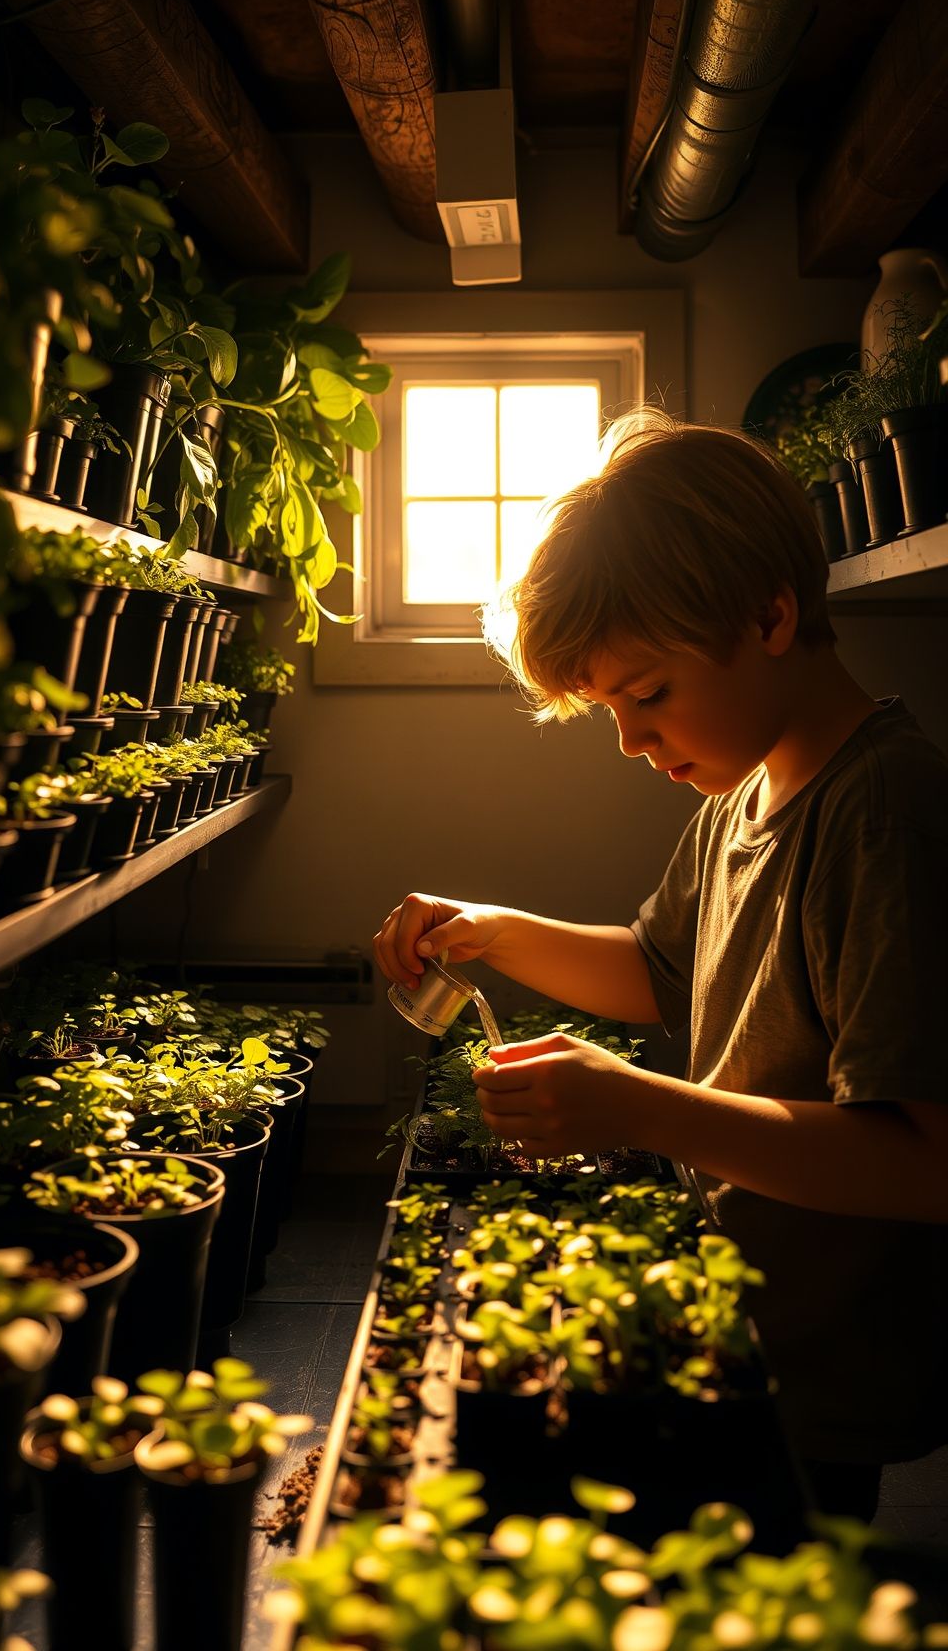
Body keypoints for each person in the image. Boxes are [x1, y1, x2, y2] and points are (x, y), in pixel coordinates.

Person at [373, 407, 948, 1523]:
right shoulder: (743, 787)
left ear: (770, 617)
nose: (632, 741)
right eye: (607, 709)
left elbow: (926, 1162)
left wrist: (643, 1107)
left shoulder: (885, 810)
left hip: (824, 1368)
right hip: (740, 1317)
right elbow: (659, 967)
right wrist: (494, 929)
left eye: (646, 694)